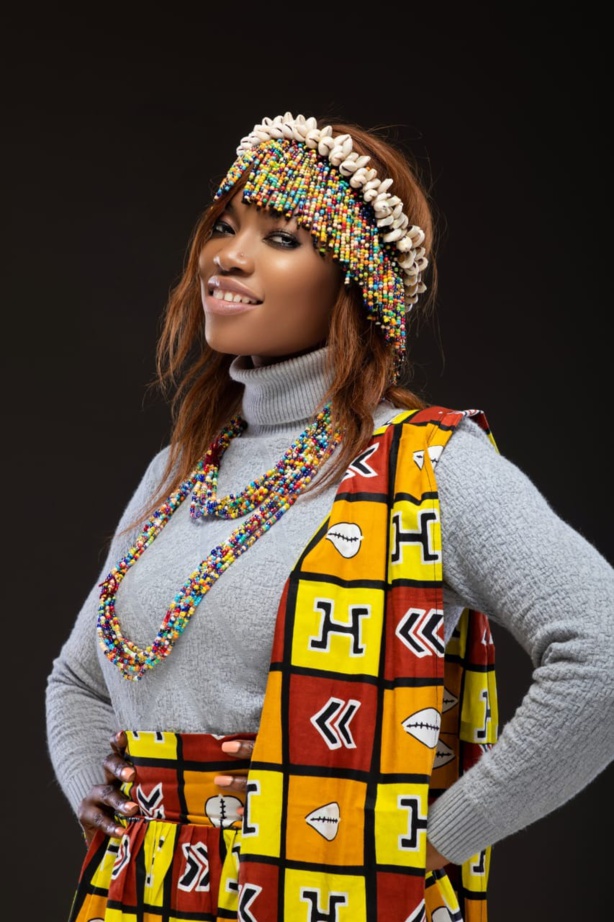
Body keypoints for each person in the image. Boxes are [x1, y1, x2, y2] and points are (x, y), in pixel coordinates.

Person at [46, 111, 614, 922]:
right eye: (225, 225)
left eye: (282, 238)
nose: (225, 255)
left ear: (356, 280)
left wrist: (423, 842)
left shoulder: (426, 466)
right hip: (142, 896)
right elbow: (77, 680)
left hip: (321, 896)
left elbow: (603, 653)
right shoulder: (179, 469)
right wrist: (91, 788)